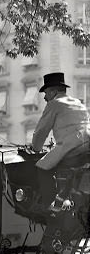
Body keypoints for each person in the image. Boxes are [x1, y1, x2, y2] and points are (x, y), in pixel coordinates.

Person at [32, 72, 90, 208]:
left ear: (53, 92)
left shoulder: (54, 104)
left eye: (46, 93)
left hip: (71, 149)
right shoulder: (78, 103)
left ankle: (51, 206)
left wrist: (35, 148)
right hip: (87, 147)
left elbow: (41, 131)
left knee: (41, 167)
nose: (45, 98)